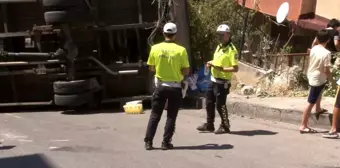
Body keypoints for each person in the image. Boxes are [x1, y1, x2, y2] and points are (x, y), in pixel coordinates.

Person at [144, 22, 190, 150]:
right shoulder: (181, 50)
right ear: (175, 35)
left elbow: (151, 68)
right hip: (175, 88)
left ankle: (148, 142)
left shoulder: (155, 48)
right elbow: (186, 70)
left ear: (164, 33)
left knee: (155, 115)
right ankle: (165, 142)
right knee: (171, 116)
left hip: (161, 86)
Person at [196, 24, 238, 134]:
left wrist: (222, 69)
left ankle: (225, 125)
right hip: (213, 79)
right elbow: (217, 60)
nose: (219, 37)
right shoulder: (219, 46)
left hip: (223, 82)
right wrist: (211, 62)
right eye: (218, 35)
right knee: (209, 102)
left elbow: (235, 68)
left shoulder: (232, 50)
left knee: (220, 105)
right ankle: (209, 125)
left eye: (221, 35)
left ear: (228, 35)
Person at [300, 29, 336, 133]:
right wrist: (333, 82)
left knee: (320, 91)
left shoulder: (314, 48)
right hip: (318, 78)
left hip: (312, 75)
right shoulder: (326, 53)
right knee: (310, 102)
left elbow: (315, 42)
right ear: (328, 40)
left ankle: (318, 108)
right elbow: (326, 70)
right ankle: (303, 125)